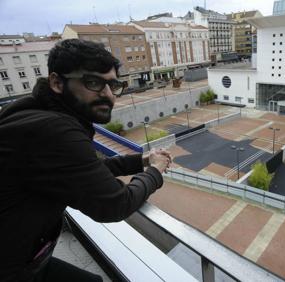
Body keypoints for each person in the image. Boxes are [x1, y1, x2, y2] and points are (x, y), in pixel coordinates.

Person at [0, 39, 172, 281]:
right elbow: (115, 204)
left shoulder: (35, 112)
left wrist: (139, 161)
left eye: (113, 85)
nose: (109, 95)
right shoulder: (53, 130)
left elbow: (83, 171)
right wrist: (155, 171)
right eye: (94, 82)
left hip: (26, 256)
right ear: (57, 82)